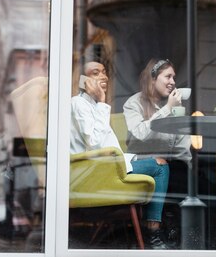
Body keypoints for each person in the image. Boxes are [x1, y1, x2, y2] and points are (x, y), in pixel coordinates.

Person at [70, 61, 171, 249]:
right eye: (96, 73)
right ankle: (153, 233)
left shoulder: (90, 104)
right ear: (83, 81)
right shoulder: (78, 103)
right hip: (96, 171)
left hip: (107, 165)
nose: (104, 76)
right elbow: (94, 142)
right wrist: (101, 101)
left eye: (104, 72)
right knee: (160, 167)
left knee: (158, 161)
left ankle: (152, 229)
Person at [123, 59, 191, 245]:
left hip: (169, 165)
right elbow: (139, 133)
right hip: (145, 164)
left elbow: (181, 148)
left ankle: (190, 236)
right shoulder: (133, 103)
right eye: (168, 76)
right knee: (172, 174)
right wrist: (167, 109)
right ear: (153, 79)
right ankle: (162, 231)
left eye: (174, 77)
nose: (173, 82)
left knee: (204, 184)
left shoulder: (172, 107)